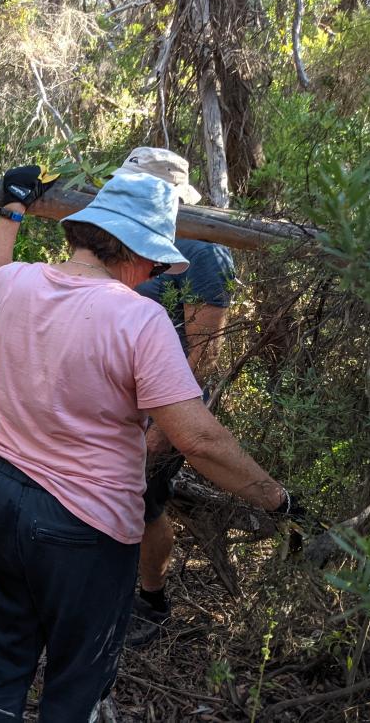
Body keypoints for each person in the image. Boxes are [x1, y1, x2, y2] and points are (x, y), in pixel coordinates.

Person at [0, 163, 299, 721]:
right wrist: (277, 499)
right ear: (139, 252)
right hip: (83, 525)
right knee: (75, 684)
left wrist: (13, 209)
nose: (153, 271)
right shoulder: (139, 318)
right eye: (154, 258)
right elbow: (197, 436)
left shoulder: (16, 284)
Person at [112, 148, 237, 647]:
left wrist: (165, 428)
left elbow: (204, 352)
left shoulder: (204, 250)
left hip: (165, 407)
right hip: (121, 403)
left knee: (145, 506)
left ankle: (152, 599)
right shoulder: (133, 238)